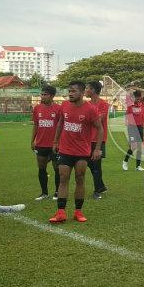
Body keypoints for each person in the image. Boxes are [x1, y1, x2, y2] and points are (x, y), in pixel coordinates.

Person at [49, 81, 104, 224]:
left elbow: (100, 128)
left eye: (73, 91)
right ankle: (61, 212)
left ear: (81, 92)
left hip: (81, 152)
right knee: (63, 178)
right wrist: (55, 141)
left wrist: (97, 149)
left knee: (80, 178)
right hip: (65, 150)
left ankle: (78, 212)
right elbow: (60, 122)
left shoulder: (90, 109)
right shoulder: (65, 106)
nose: (70, 94)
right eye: (69, 91)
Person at [32, 85, 62, 200]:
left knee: (57, 169)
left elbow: (61, 127)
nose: (42, 96)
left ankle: (57, 192)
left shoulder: (59, 109)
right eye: (42, 94)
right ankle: (44, 193)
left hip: (55, 145)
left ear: (52, 96)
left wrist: (58, 142)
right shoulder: (37, 108)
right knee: (41, 168)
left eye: (45, 94)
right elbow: (36, 125)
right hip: (40, 144)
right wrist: (32, 141)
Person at [86, 81, 109, 200]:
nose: (85, 90)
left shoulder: (104, 104)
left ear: (93, 90)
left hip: (99, 139)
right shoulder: (87, 104)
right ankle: (101, 186)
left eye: (87, 88)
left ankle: (97, 191)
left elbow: (97, 121)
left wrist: (87, 118)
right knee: (89, 163)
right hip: (87, 140)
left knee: (96, 165)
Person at [123, 89, 144, 171]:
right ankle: (125, 161)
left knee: (140, 147)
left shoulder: (141, 104)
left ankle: (138, 166)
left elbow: (143, 97)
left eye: (140, 98)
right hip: (132, 127)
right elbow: (128, 92)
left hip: (140, 127)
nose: (139, 99)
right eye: (138, 98)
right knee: (133, 146)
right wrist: (135, 90)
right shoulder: (130, 104)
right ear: (135, 97)